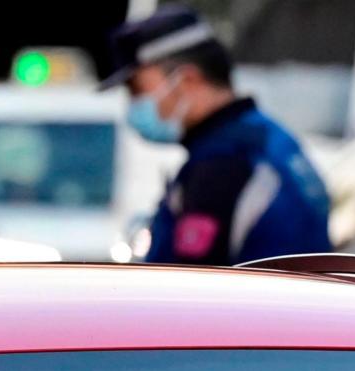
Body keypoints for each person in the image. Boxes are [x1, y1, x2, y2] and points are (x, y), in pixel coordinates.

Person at [99, 5, 331, 265]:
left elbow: (188, 286)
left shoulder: (223, 164)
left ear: (187, 79)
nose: (134, 104)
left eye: (137, 89)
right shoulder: (268, 137)